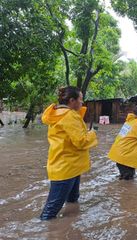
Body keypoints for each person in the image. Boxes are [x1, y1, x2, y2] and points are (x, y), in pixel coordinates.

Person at [40, 86, 98, 220]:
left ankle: (70, 224)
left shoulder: (58, 113)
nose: (82, 103)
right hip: (66, 167)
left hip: (69, 165)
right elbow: (81, 141)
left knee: (72, 199)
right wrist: (93, 134)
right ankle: (47, 230)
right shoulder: (69, 116)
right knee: (51, 209)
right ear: (72, 100)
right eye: (81, 99)